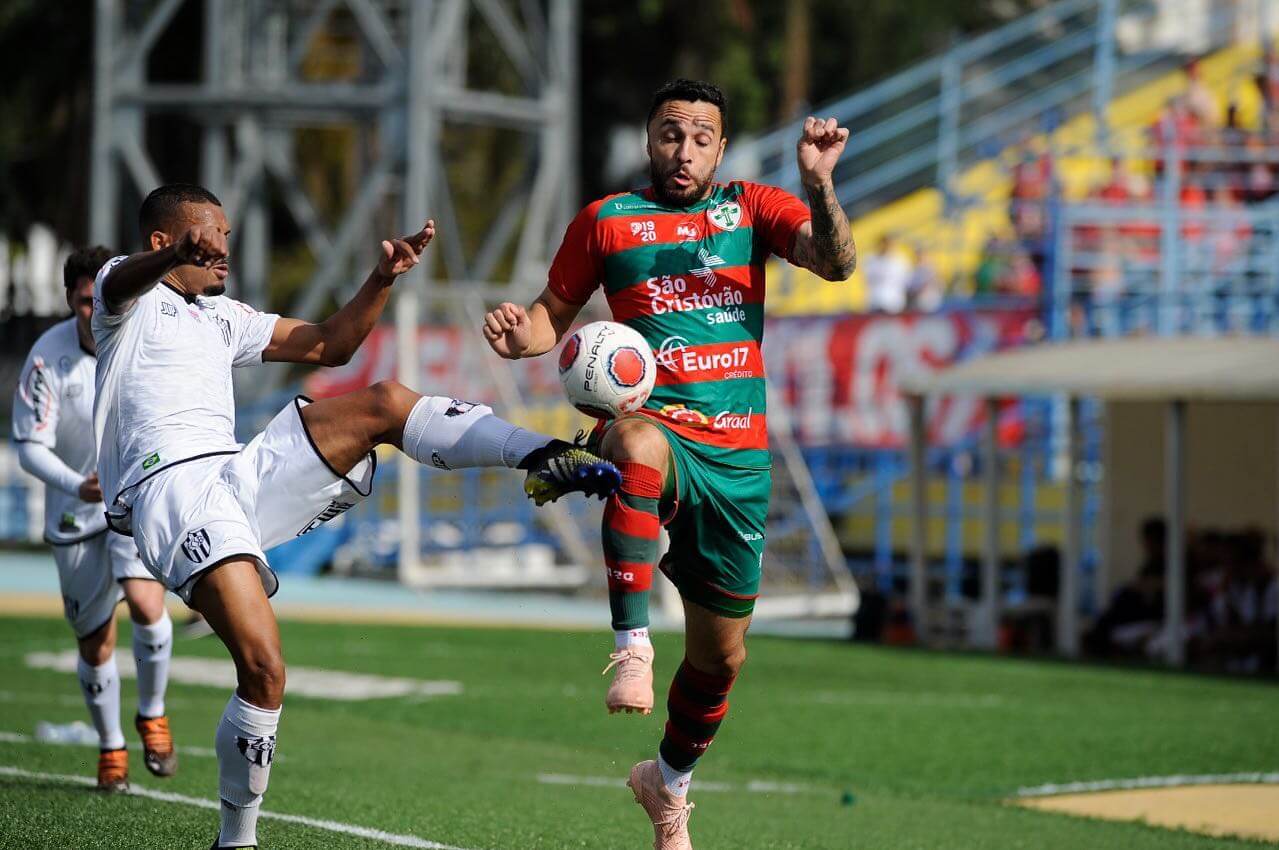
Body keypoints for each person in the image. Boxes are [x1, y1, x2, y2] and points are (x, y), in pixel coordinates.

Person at [92, 183, 620, 850]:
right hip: (172, 490)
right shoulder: (127, 298)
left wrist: (381, 278)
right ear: (164, 242)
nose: (222, 248)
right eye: (207, 235)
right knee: (264, 669)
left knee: (383, 401)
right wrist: (164, 263)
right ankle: (237, 841)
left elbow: (331, 344)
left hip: (236, 475)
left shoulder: (223, 317)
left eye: (226, 233)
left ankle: (544, 456)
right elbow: (122, 278)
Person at [482, 79, 855, 849]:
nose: (681, 151)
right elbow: (547, 321)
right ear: (647, 139)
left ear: (720, 147)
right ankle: (630, 644)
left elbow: (834, 262)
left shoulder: (753, 208)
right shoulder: (606, 222)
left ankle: (667, 785)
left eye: (699, 138)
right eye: (668, 134)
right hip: (656, 428)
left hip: (739, 461)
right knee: (638, 445)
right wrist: (518, 333)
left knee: (721, 660)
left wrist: (817, 184)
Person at [12, 246, 178, 793]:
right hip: (76, 514)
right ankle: (111, 748)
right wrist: (75, 483)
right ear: (70, 300)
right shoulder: (47, 358)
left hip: (133, 502)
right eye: (85, 300)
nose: (94, 309)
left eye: (102, 298)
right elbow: (30, 446)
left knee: (150, 606)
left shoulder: (141, 340)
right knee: (96, 643)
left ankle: (152, 715)